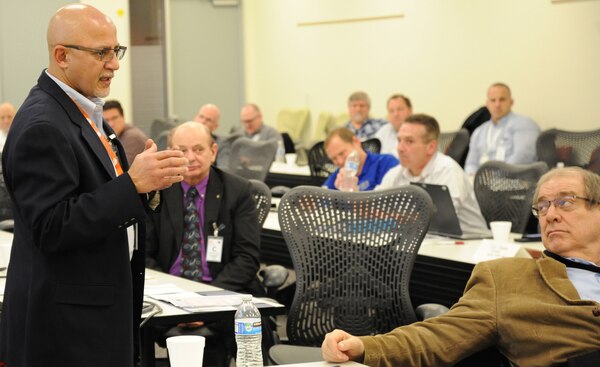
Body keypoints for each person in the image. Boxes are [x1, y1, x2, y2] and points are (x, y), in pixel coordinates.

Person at [0, 4, 188, 367]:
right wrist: (132, 185)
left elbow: (94, 195)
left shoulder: (81, 111)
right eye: (101, 52)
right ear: (62, 56)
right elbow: (51, 227)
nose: (114, 63)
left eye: (115, 51)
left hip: (90, 314)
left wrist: (145, 186)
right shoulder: (45, 124)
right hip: (65, 330)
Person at [322, 166, 600, 367]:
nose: (551, 215)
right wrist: (362, 346)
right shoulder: (506, 277)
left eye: (566, 202)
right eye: (542, 206)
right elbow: (439, 337)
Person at [145, 122, 264, 365]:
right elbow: (144, 256)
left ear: (214, 151)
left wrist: (204, 302)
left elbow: (246, 259)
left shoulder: (238, 191)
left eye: (198, 149)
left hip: (222, 293)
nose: (190, 157)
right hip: (167, 299)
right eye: (182, 150)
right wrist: (175, 302)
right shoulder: (156, 190)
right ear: (170, 152)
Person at [378, 114, 487, 233]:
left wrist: (392, 215)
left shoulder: (447, 170)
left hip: (470, 243)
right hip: (428, 243)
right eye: (399, 140)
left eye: (409, 141)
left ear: (431, 147)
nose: (400, 148)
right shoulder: (397, 172)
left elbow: (439, 221)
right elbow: (374, 207)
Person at [464, 83, 540, 175]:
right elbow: (470, 163)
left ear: (511, 102)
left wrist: (493, 176)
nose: (497, 104)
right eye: (493, 100)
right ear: (487, 104)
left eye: (502, 99)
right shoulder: (479, 131)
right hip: (481, 184)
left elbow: (522, 158)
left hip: (514, 181)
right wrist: (474, 176)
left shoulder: (525, 124)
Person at [323, 127, 398, 191]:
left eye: (342, 153)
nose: (340, 161)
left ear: (356, 142)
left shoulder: (386, 163)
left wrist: (353, 194)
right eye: (334, 159)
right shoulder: (337, 176)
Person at [102, 99, 148, 164]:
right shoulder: (114, 136)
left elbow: (121, 167)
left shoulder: (132, 137)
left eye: (114, 118)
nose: (111, 124)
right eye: (107, 120)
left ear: (123, 116)